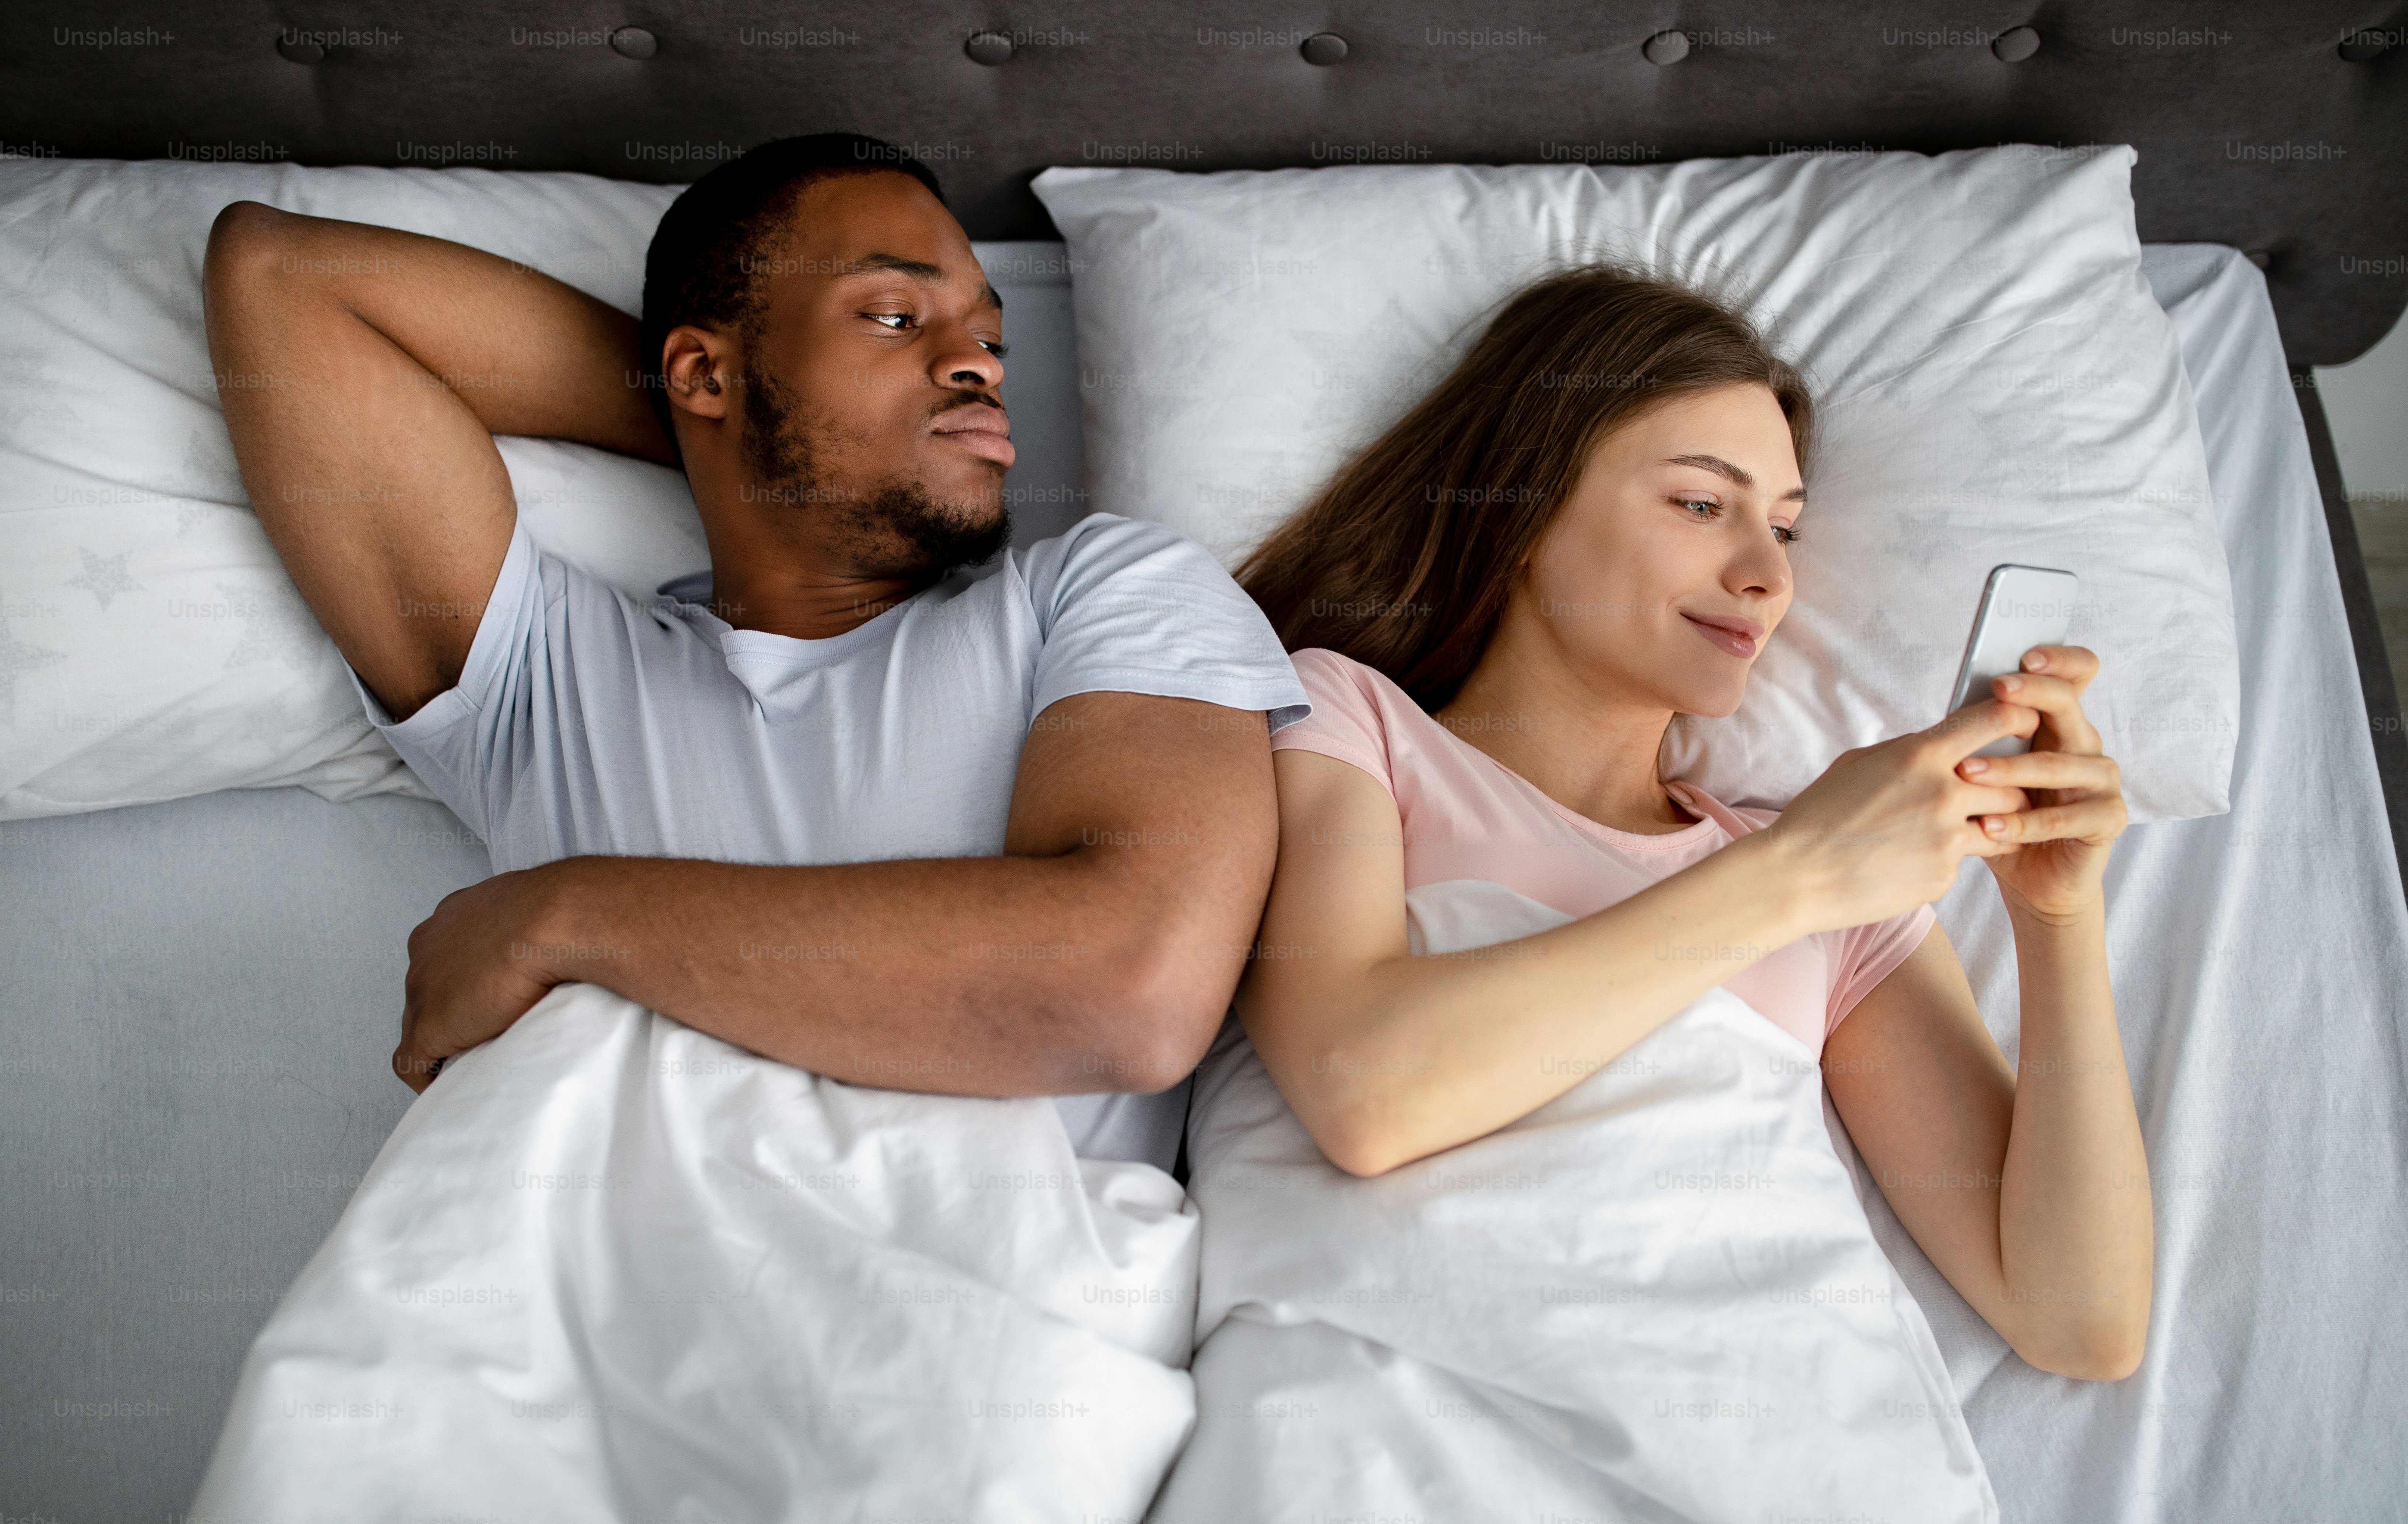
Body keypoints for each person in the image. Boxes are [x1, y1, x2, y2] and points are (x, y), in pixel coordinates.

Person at [200, 133, 1307, 1175]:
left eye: (989, 337)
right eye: (890, 315)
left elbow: (1129, 993)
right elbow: (282, 279)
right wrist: (725, 423)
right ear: (702, 372)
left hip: (984, 1325)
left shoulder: (1106, 595)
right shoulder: (549, 681)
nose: (975, 363)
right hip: (594, 1325)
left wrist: (566, 917)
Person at [1228, 266, 2152, 1381]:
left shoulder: (1832, 876)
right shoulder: (1346, 718)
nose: (1766, 575)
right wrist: (1798, 873)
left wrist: (2058, 918)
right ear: (1522, 506)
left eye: (1786, 530)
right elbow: (1364, 1091)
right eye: (1702, 504)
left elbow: (2078, 1320)